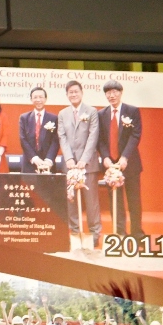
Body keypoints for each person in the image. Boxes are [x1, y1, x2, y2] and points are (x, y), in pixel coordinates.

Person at [58, 79, 101, 250]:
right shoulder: (62, 114)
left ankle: (94, 235)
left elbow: (93, 135)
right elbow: (62, 136)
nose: (73, 94)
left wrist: (84, 159)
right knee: (71, 201)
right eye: (70, 92)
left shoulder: (91, 111)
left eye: (76, 91)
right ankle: (75, 233)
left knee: (91, 203)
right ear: (67, 95)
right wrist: (68, 158)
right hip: (69, 166)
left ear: (81, 93)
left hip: (88, 164)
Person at [99, 80, 144, 239]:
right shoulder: (101, 114)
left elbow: (135, 135)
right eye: (108, 93)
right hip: (110, 166)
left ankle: (137, 234)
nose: (111, 95)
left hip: (130, 164)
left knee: (134, 200)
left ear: (120, 92)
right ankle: (120, 233)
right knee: (115, 202)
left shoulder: (132, 111)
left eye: (114, 92)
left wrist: (124, 157)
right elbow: (100, 140)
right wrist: (105, 157)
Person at [16, 85, 62, 174]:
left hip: (48, 164)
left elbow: (55, 141)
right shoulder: (24, 118)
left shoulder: (54, 118)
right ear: (31, 99)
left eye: (41, 97)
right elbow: (23, 139)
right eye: (35, 97)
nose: (38, 100)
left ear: (45, 99)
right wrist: (35, 158)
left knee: (47, 188)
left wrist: (49, 160)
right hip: (30, 163)